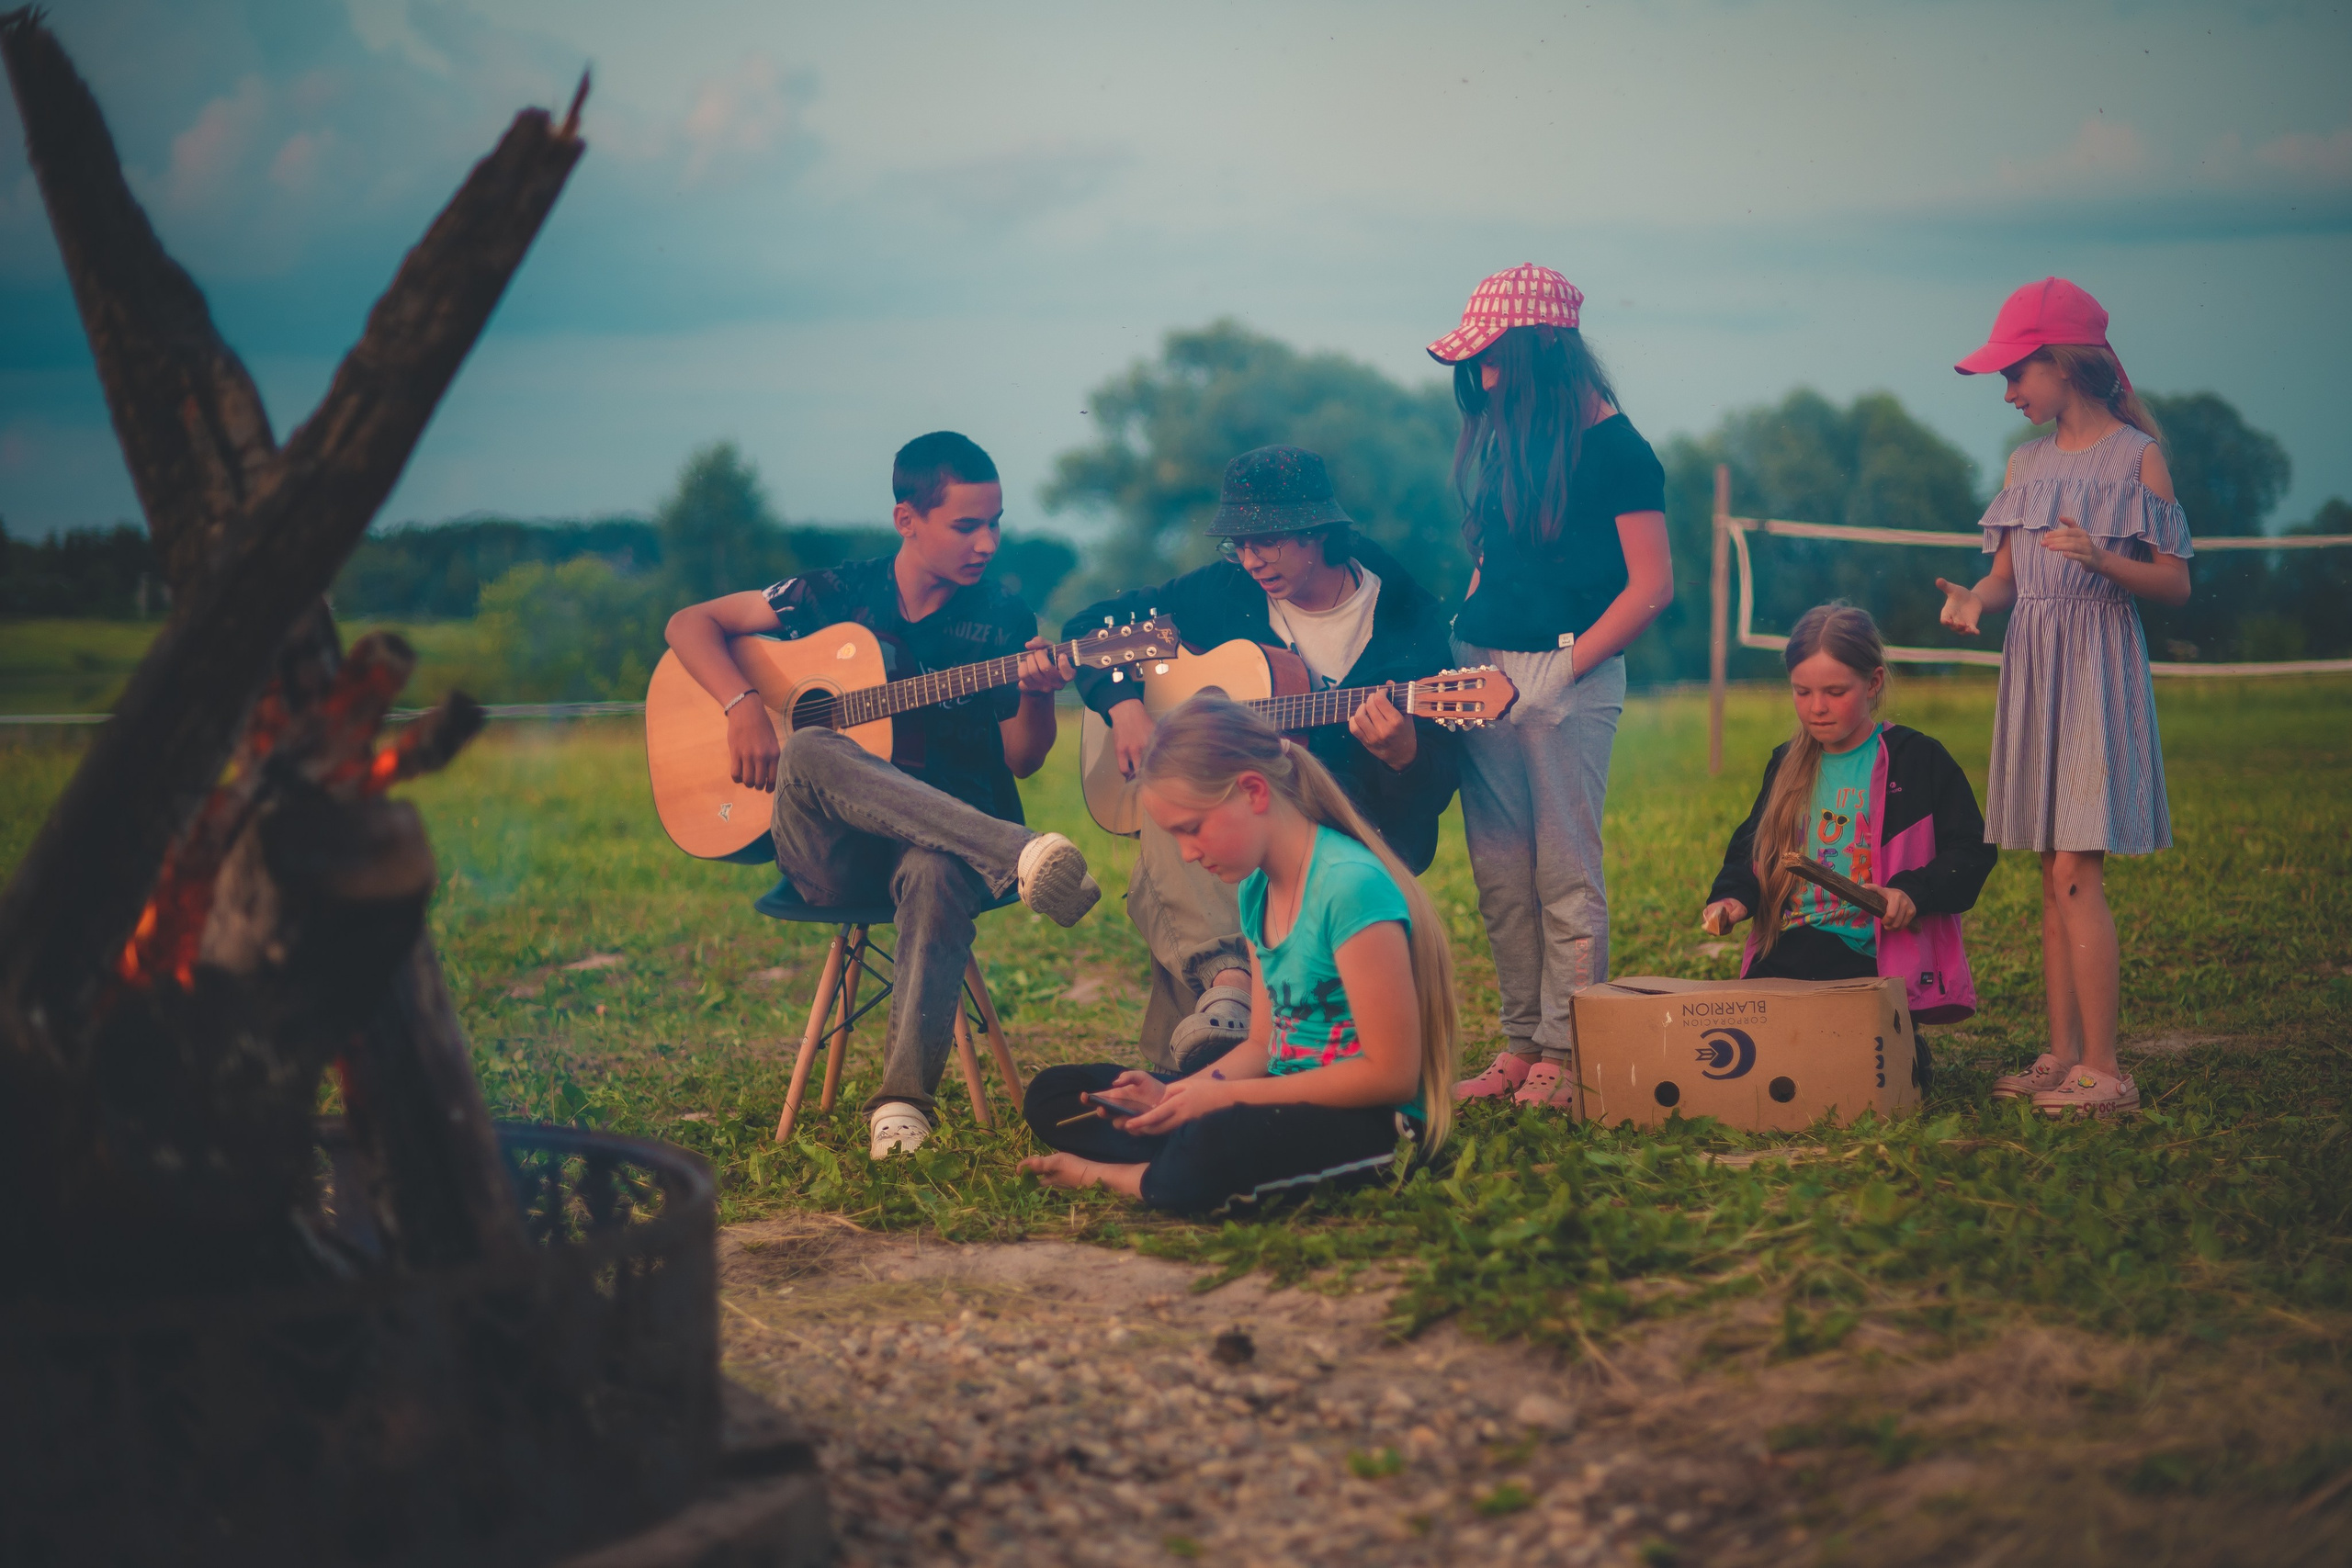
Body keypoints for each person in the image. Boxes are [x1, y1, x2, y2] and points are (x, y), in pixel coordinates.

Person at [663, 431, 1101, 1158]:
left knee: (936, 869)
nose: (987, 543)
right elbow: (689, 624)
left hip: (939, 854)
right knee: (809, 746)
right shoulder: (837, 593)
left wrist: (1037, 692)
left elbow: (1023, 760)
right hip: (829, 854)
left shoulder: (1003, 618)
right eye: (966, 525)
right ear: (907, 519)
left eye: (995, 523)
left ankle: (901, 1105)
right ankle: (1018, 852)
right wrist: (741, 704)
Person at [1064, 445, 1461, 1074]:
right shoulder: (1225, 593)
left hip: (1354, 830)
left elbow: (1437, 785)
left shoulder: (1407, 620)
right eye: (1239, 544)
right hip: (1246, 817)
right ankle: (1222, 1010)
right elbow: (1092, 631)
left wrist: (1403, 754)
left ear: (1318, 532)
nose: (1250, 561)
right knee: (1181, 806)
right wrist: (1125, 705)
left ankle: (1196, 1052)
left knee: (1174, 840)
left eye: (1267, 542)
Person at [1018, 695, 1457, 1213]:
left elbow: (1391, 1075)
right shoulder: (1257, 890)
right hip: (1278, 1098)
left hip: (1372, 1121)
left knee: (1215, 1141)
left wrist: (1223, 1097)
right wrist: (1174, 1096)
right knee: (1056, 1093)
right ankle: (1178, 1152)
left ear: (1252, 790)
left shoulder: (1349, 886)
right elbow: (1262, 1045)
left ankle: (1128, 1176)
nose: (1187, 853)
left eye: (1191, 829)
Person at [1936, 277, 2190, 1119]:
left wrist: (2102, 560)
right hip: (2036, 664)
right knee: (2051, 871)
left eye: (2016, 374)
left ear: (2063, 364)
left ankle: (2107, 1071)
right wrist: (1976, 598)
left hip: (2097, 668)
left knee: (2079, 869)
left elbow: (2176, 584)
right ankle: (2062, 1054)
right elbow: (2006, 578)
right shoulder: (2026, 465)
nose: (2008, 392)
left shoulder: (2136, 457)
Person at [1430, 265, 1674, 1111]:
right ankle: (1520, 1044)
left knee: (1565, 874)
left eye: (1496, 358)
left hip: (1569, 671)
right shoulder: (1509, 437)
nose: (1484, 375)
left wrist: (1561, 674)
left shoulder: (1619, 450)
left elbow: (1651, 586)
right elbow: (1492, 557)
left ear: (1544, 349)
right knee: (1501, 875)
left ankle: (1568, 1054)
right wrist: (1466, 641)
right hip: (1481, 667)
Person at [1701, 604, 1996, 1021]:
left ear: (1873, 682)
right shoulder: (1786, 763)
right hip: (1791, 945)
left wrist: (1913, 893)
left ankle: (1900, 1046)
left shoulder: (1917, 760)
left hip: (1873, 956)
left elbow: (1971, 850)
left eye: (1835, 692)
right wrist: (1731, 898)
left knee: (1845, 1037)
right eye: (1802, 692)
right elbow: (1753, 849)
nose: (1817, 707)